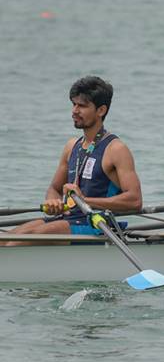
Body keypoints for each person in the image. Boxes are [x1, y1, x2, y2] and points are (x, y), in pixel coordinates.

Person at [5, 76, 143, 244]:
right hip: (68, 218)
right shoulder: (72, 146)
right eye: (74, 104)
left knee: (16, 243)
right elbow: (54, 188)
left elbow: (135, 200)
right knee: (4, 240)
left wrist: (86, 200)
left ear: (101, 110)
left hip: (97, 225)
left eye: (82, 106)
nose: (74, 111)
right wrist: (52, 201)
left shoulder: (116, 149)